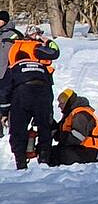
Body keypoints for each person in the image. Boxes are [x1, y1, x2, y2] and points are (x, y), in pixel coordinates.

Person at [4, 28, 60, 169]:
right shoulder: (39, 52)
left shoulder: (14, 64)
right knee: (44, 126)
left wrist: (4, 112)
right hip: (43, 91)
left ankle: (20, 162)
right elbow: (55, 51)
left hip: (22, 93)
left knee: (17, 129)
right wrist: (47, 40)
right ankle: (44, 159)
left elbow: (6, 89)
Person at [47, 89, 98, 166]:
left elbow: (77, 137)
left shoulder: (81, 114)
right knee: (48, 153)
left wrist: (62, 137)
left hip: (85, 151)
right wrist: (51, 123)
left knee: (55, 155)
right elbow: (58, 135)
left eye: (62, 102)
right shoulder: (70, 114)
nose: (59, 105)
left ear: (69, 101)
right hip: (75, 149)